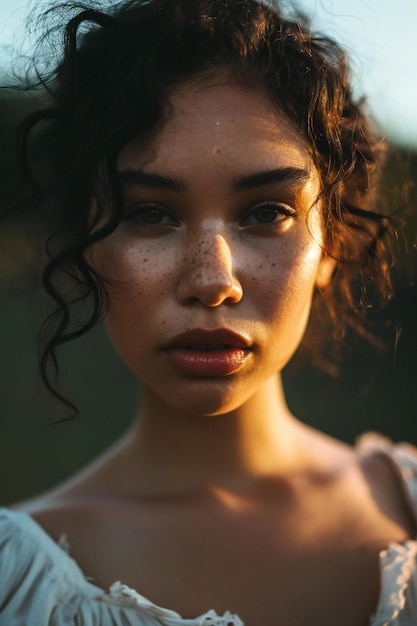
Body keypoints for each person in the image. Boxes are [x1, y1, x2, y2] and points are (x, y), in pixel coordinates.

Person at [0, 0, 416, 624]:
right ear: (84, 244)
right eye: (149, 213)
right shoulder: (16, 584)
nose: (212, 281)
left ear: (331, 243)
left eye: (268, 212)